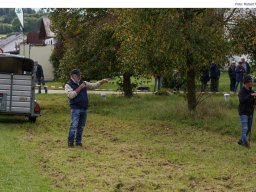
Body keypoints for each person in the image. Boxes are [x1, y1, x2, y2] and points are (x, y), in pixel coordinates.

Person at [65, 69, 108, 147]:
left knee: (81, 126)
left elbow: (94, 85)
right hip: (75, 108)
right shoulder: (68, 85)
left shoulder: (84, 82)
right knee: (74, 126)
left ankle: (78, 142)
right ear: (72, 76)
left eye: (80, 75)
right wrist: (80, 88)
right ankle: (70, 142)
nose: (79, 77)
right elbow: (71, 95)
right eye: (77, 75)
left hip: (84, 108)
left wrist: (102, 81)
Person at [237, 75, 256, 148]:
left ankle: (241, 141)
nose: (252, 83)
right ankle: (246, 144)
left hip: (250, 112)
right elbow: (242, 100)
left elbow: (254, 102)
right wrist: (251, 95)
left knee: (248, 129)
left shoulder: (252, 91)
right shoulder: (241, 91)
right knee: (245, 128)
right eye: (250, 81)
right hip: (243, 112)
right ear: (246, 83)